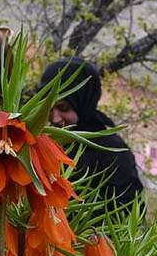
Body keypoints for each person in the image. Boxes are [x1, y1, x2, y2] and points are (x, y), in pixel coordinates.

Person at [39, 57, 144, 211]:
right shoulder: (48, 142)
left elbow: (130, 209)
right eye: (48, 107)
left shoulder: (112, 150)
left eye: (63, 108)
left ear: (84, 103)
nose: (55, 118)